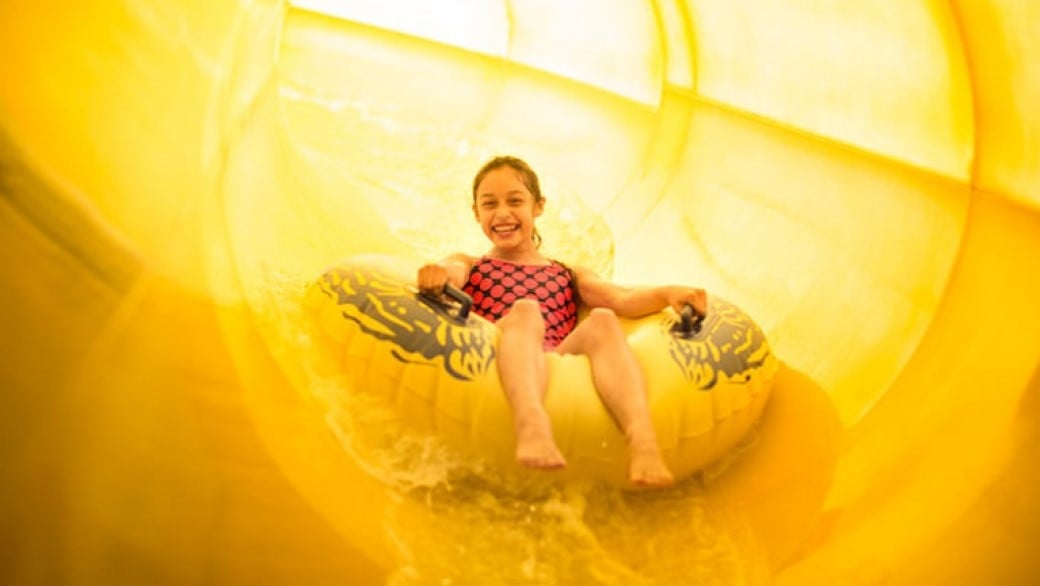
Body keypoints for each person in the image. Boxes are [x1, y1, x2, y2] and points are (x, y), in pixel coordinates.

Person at [417, 156, 707, 487]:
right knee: (526, 311)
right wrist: (438, 274)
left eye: (515, 201)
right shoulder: (470, 263)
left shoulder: (567, 273)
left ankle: (643, 441)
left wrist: (667, 293)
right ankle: (531, 423)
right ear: (476, 213)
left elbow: (620, 299)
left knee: (602, 319)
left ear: (538, 207)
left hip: (558, 355)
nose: (502, 214)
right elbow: (451, 272)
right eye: (489, 204)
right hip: (500, 346)